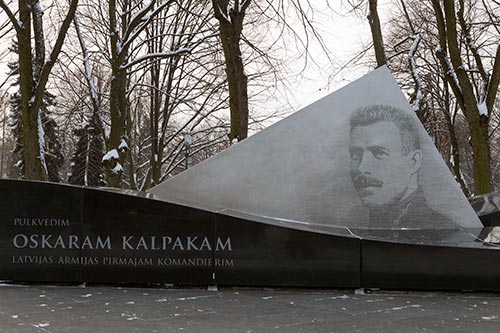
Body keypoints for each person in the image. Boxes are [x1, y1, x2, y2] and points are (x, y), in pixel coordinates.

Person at [349, 104, 456, 229]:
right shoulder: (371, 228)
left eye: (379, 153)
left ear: (413, 162)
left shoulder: (445, 234)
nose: (361, 168)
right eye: (355, 155)